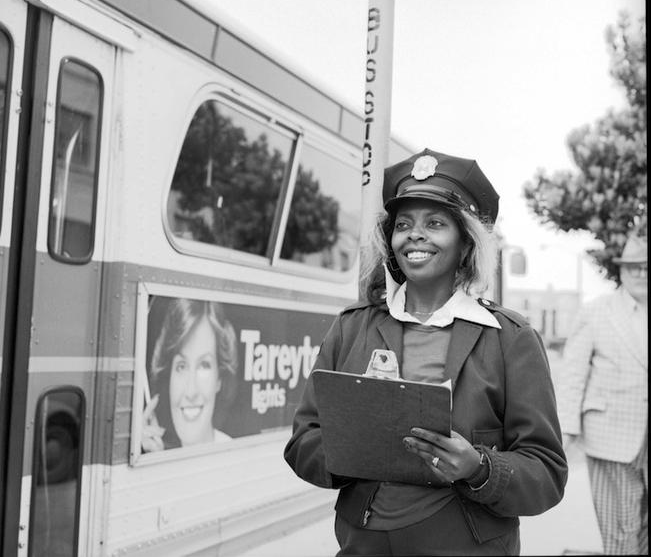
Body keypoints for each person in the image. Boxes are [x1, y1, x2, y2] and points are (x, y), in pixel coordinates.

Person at [284, 148, 567, 556]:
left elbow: (547, 472)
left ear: (465, 242)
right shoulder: (351, 327)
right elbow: (302, 443)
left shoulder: (510, 338)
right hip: (363, 545)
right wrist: (352, 450)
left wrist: (479, 468)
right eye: (404, 224)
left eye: (435, 223)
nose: (415, 234)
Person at [557, 229, 648, 555]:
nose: (640, 273)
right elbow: (573, 375)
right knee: (621, 532)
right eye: (633, 266)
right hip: (611, 438)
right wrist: (565, 432)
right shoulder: (597, 312)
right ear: (621, 270)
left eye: (647, 266)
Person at [142, 298, 238, 452]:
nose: (191, 391)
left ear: (219, 379)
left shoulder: (233, 456)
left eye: (204, 365)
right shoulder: (161, 451)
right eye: (181, 366)